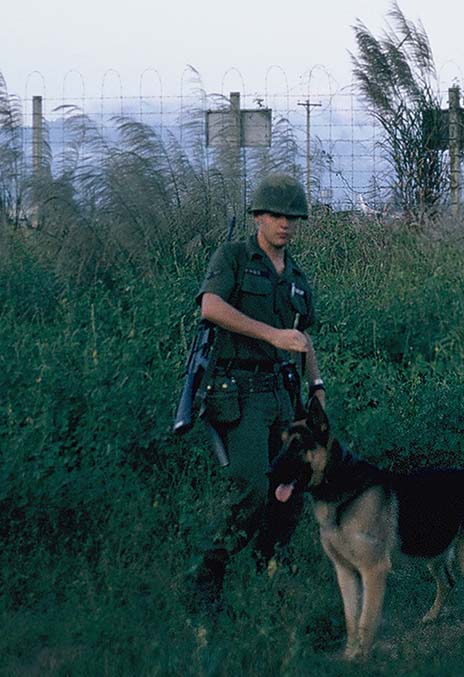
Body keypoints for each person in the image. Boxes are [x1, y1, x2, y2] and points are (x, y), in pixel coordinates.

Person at [192, 173, 325, 611]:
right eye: (275, 215)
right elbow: (211, 307)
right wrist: (271, 335)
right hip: (240, 390)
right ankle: (209, 575)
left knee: (290, 489)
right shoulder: (233, 256)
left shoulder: (299, 278)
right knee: (250, 488)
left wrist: (316, 386)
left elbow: (303, 339)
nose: (284, 223)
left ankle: (270, 569)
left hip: (283, 394)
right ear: (258, 217)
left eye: (292, 216)